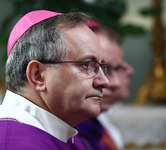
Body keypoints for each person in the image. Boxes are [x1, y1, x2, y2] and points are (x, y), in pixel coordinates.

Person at [0, 10, 110, 149]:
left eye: (101, 67)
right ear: (38, 76)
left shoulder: (52, 134)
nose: (104, 81)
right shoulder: (13, 143)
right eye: (87, 65)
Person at [67, 22, 134, 150]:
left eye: (105, 69)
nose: (114, 83)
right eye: (94, 67)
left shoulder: (96, 128)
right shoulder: (60, 136)